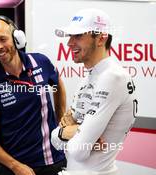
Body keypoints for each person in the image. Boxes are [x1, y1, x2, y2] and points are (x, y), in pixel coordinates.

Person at [0, 15, 67, 175]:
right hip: (15, 169)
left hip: (54, 161)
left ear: (17, 38)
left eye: (3, 39)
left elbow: (58, 84)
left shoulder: (40, 62)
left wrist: (60, 121)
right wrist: (15, 166)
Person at [51, 8, 137, 175]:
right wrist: (70, 132)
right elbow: (57, 142)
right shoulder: (90, 76)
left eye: (78, 36)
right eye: (70, 36)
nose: (69, 43)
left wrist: (65, 132)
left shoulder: (112, 77)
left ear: (100, 38)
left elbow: (77, 151)